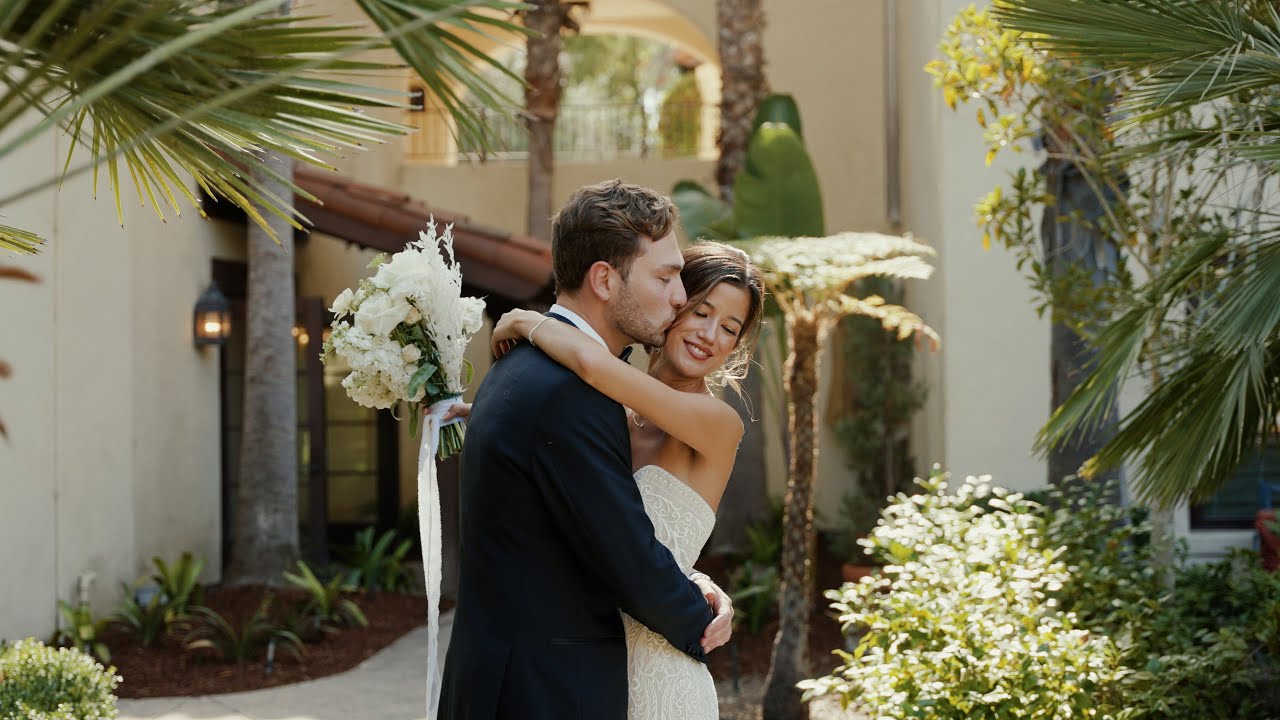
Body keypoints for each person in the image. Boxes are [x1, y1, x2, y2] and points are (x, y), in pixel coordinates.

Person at [438, 180, 738, 720]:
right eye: (666, 278)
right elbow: (625, 557)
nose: (679, 298)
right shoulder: (571, 395)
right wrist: (703, 620)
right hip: (544, 692)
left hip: (530, 682)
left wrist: (529, 320)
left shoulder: (524, 365)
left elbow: (583, 535)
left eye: (729, 327)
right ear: (604, 279)